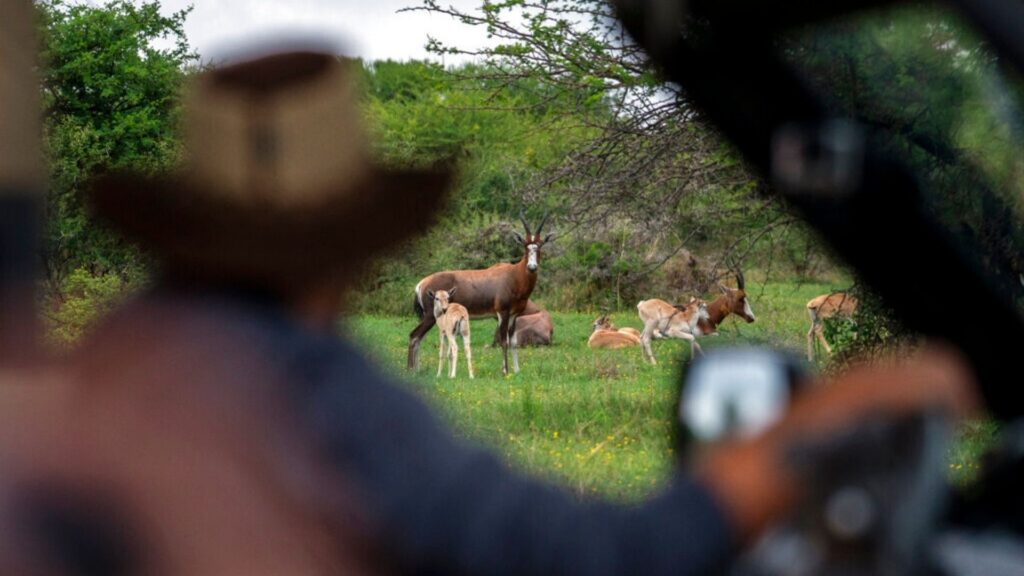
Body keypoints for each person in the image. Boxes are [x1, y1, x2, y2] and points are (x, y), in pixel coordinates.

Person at [1, 48, 979, 575]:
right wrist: (824, 420)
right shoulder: (315, 390)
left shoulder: (109, 362)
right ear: (361, 235)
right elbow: (596, 558)